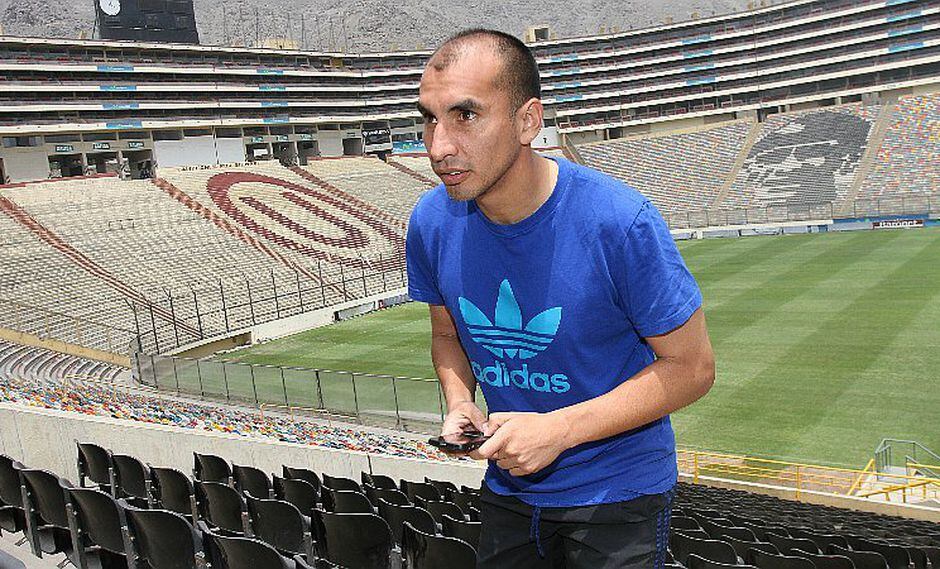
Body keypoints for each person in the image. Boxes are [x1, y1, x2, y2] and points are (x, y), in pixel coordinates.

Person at [406, 28, 716, 568]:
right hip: (509, 490)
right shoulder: (431, 222)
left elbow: (693, 368)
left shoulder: (619, 222)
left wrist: (558, 430)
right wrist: (460, 402)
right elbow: (447, 334)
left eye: (466, 116)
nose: (439, 147)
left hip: (617, 495)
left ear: (528, 121)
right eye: (429, 118)